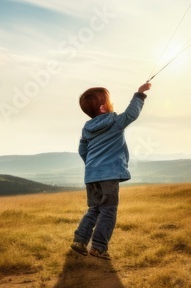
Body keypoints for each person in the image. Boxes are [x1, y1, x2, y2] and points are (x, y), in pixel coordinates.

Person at [70, 81, 151, 260]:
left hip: (91, 176)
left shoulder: (86, 129)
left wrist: (92, 165)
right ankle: (98, 248)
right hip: (109, 175)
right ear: (102, 108)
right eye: (109, 101)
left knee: (94, 209)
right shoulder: (115, 122)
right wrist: (139, 94)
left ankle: (79, 241)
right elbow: (131, 113)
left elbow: (82, 150)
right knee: (108, 210)